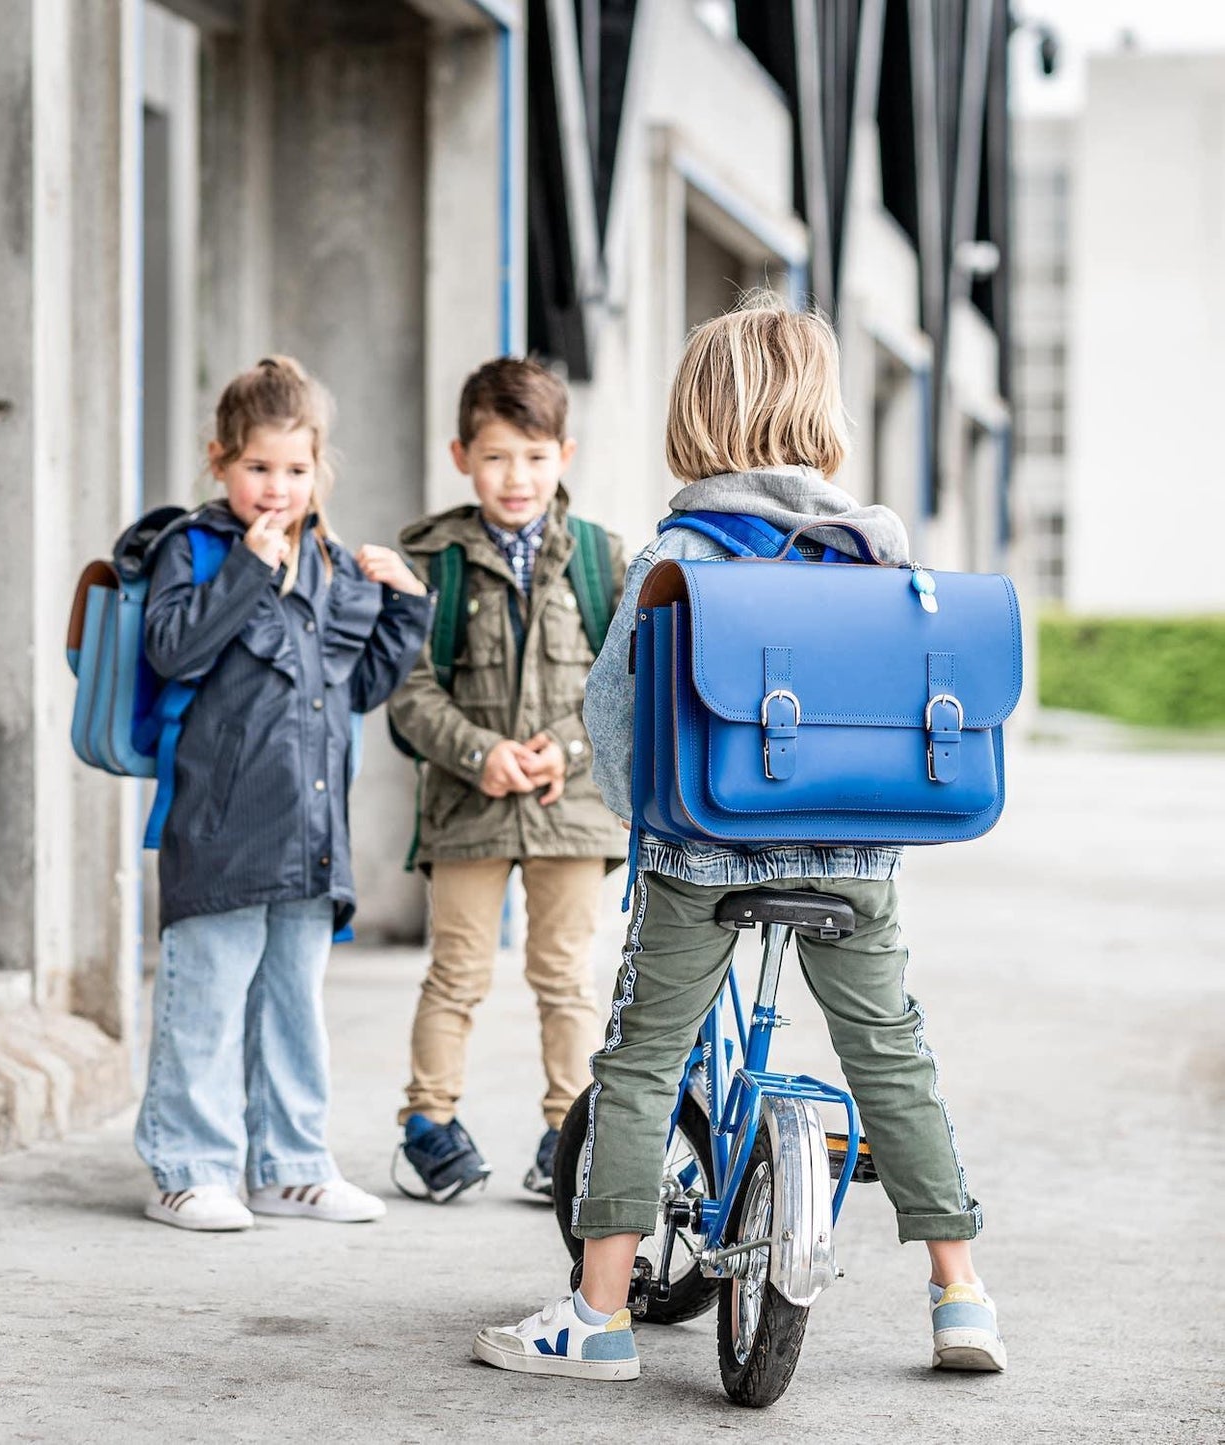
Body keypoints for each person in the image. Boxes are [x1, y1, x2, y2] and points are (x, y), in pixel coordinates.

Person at [472, 302, 1007, 1379]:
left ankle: (599, 1316)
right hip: (855, 850)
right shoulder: (875, 547)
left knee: (639, 1063)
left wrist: (642, 817)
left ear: (696, 416)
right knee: (889, 1054)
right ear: (820, 411)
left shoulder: (679, 551)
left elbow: (614, 727)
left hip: (705, 852)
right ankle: (959, 1295)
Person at [135, 356, 433, 1231]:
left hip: (310, 828)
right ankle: (186, 1167)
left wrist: (404, 607)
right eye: (257, 468)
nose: (276, 487)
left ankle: (290, 1164)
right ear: (219, 460)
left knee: (294, 1005)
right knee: (207, 997)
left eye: (295, 470)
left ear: (318, 470)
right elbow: (171, 652)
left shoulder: (331, 563)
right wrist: (245, 574)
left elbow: (358, 684)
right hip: (219, 823)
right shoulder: (190, 550)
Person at [387, 358, 626, 1203]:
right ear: (461, 455)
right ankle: (428, 1125)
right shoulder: (431, 559)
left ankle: (570, 1130)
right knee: (455, 970)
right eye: (494, 457)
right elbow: (408, 688)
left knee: (564, 973)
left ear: (563, 453)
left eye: (532, 456)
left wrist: (562, 749)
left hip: (572, 809)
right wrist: (479, 752)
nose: (514, 477)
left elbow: (621, 681)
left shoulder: (601, 560)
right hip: (465, 803)